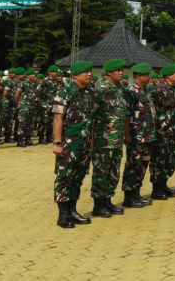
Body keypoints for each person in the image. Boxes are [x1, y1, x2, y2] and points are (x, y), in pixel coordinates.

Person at [52, 60, 95, 229]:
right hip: (69, 143)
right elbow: (58, 119)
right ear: (75, 75)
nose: (90, 75)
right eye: (86, 73)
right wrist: (57, 142)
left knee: (78, 177)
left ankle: (73, 210)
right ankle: (63, 215)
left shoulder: (90, 92)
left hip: (84, 144)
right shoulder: (65, 92)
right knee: (64, 178)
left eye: (90, 72)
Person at [90, 59, 128, 217]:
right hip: (103, 139)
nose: (121, 73)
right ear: (108, 73)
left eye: (121, 70)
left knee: (113, 172)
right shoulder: (101, 89)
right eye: (117, 71)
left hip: (116, 139)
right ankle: (98, 205)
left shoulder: (119, 88)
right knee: (101, 172)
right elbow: (91, 114)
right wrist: (91, 139)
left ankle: (108, 201)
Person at [122, 63, 156, 208]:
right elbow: (126, 114)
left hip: (148, 135)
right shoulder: (131, 91)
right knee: (133, 165)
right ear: (138, 76)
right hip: (136, 136)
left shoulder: (146, 90)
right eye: (146, 75)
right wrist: (127, 134)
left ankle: (137, 193)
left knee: (143, 165)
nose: (149, 77)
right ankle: (129, 196)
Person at [150, 64, 175, 199]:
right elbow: (153, 112)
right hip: (161, 132)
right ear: (169, 75)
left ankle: (164, 184)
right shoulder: (159, 90)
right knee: (159, 160)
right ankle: (156, 189)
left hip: (172, 131)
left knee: (171, 159)